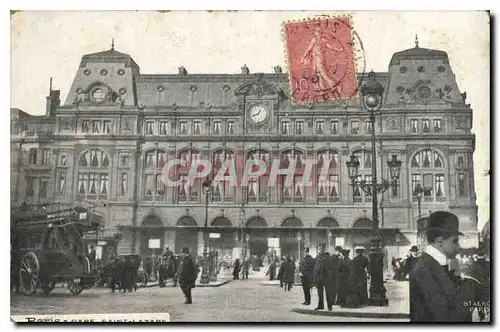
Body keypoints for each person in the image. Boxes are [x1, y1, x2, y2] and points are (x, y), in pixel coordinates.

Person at [410, 211, 480, 322]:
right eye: (455, 241)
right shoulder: (424, 270)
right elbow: (448, 318)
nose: (458, 247)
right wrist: (470, 286)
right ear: (440, 241)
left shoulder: (433, 264)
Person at [313, 244, 329, 310]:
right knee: (320, 293)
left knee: (328, 293)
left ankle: (329, 306)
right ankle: (320, 305)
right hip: (319, 277)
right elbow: (315, 267)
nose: (320, 250)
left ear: (324, 249)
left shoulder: (327, 257)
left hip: (325, 277)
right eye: (319, 248)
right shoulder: (318, 256)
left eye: (321, 248)